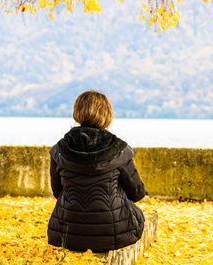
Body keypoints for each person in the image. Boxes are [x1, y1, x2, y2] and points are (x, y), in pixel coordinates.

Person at [47, 90, 146, 252]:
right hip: (114, 233)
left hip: (67, 232)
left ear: (77, 112)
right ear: (107, 114)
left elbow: (58, 192)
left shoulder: (60, 150)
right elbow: (137, 193)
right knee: (137, 214)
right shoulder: (119, 149)